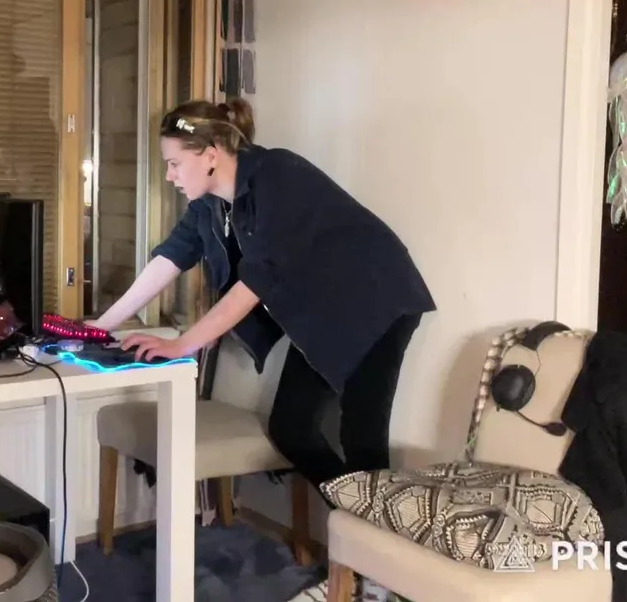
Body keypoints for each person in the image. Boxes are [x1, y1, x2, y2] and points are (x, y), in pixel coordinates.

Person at [91, 97, 436, 487]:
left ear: (210, 155)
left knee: (362, 440)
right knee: (292, 430)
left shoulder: (277, 175)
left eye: (174, 164)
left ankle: (372, 519)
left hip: (376, 296)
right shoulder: (210, 204)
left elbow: (256, 281)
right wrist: (101, 326)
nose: (170, 176)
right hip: (325, 311)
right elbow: (171, 257)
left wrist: (184, 344)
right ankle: (355, 512)